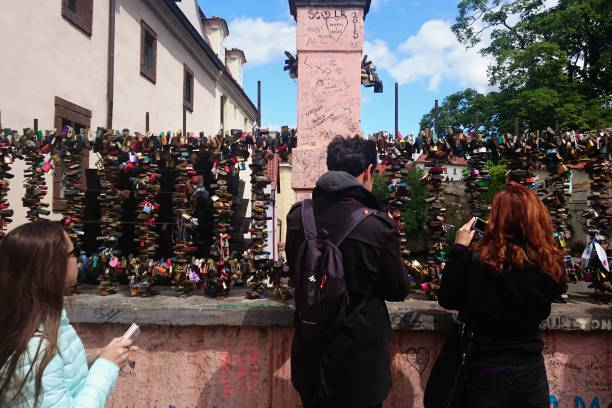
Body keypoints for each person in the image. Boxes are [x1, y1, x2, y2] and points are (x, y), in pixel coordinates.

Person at [286, 135, 411, 408]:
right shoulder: (378, 226)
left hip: (310, 360)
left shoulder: (298, 217)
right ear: (367, 171)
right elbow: (398, 289)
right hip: (359, 366)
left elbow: (297, 272)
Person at [433, 183, 565, 408]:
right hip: (530, 371)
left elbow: (447, 299)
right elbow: (558, 287)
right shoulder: (548, 265)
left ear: (497, 221)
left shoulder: (476, 262)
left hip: (485, 372)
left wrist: (459, 250)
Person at [0, 221, 137, 408]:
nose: (79, 259)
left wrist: (98, 358)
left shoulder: (48, 321)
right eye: (74, 253)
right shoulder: (34, 352)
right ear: (51, 268)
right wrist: (106, 365)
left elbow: (63, 382)